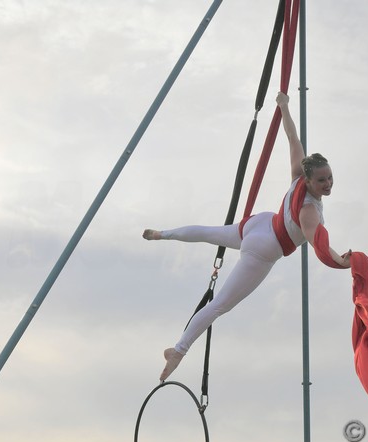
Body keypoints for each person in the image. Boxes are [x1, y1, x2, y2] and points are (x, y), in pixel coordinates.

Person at [143, 92, 351, 381]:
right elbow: (320, 246)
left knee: (207, 232)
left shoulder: (297, 173)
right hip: (265, 247)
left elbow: (292, 137)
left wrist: (284, 106)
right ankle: (178, 351)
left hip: (259, 224)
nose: (327, 184)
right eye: (321, 180)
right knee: (219, 305)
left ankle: (162, 234)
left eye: (329, 178)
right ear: (309, 179)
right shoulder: (309, 213)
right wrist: (342, 261)